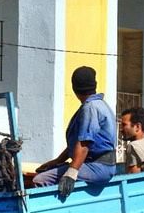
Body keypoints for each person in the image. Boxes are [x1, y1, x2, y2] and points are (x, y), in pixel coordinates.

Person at [33, 66, 117, 197]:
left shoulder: (90, 108)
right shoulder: (100, 104)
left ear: (74, 88)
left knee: (40, 180)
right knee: (51, 171)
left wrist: (71, 173)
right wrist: (57, 161)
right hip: (103, 165)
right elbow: (77, 144)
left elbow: (84, 144)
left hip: (97, 166)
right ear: (94, 85)